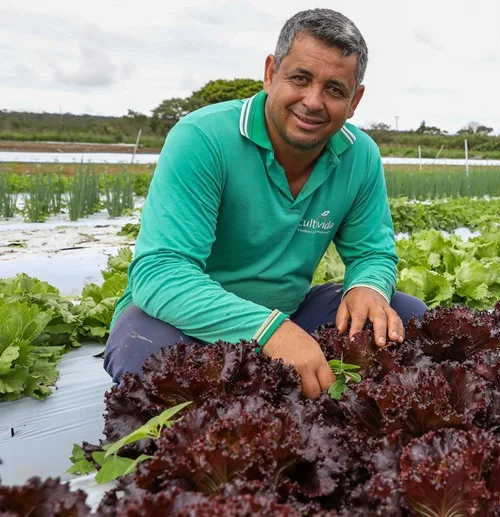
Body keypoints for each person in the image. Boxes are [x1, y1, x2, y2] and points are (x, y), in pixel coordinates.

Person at [103, 8, 426, 399]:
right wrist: (269, 332)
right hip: (183, 322)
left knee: (406, 318)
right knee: (145, 355)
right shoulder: (203, 138)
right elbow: (160, 272)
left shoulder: (360, 156)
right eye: (300, 79)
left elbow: (373, 252)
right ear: (271, 73)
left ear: (355, 100)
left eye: (335, 90)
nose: (313, 101)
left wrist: (368, 287)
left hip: (291, 312)